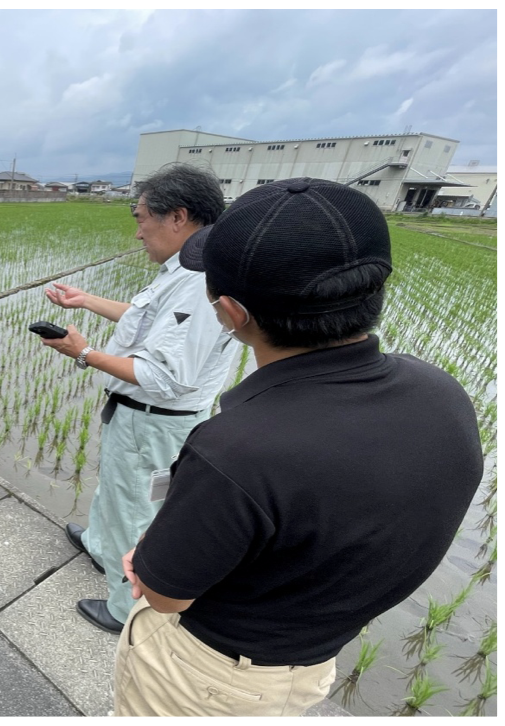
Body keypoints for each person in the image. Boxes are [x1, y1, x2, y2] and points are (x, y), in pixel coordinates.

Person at [117, 178, 483, 717]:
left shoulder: (236, 449)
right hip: (311, 666)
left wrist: (149, 560)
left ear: (232, 313)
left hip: (206, 677)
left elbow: (167, 595)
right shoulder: (443, 394)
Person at [41, 163, 236, 633]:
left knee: (136, 507)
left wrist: (83, 352)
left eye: (141, 216)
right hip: (136, 416)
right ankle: (101, 547)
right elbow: (150, 321)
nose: (137, 232)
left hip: (156, 419)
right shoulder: (183, 270)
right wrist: (86, 300)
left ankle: (125, 608)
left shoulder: (200, 280)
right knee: (115, 489)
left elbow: (163, 376)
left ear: (178, 217)